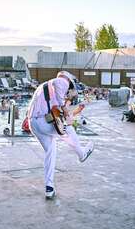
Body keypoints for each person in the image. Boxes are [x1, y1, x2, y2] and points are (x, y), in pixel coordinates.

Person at [28, 71, 94, 199]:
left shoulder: (44, 86)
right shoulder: (61, 81)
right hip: (43, 121)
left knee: (51, 152)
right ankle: (82, 153)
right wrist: (66, 110)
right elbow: (60, 100)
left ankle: (49, 187)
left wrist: (66, 108)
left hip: (33, 123)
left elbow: (54, 105)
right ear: (68, 81)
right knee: (68, 128)